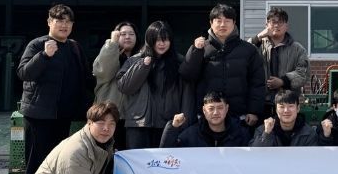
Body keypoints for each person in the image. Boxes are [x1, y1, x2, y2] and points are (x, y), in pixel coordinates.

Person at [17, 4, 91, 174]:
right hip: (39, 116)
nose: (64, 25)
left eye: (68, 21)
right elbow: (24, 73)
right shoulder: (37, 45)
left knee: (57, 167)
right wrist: (44, 56)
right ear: (49, 22)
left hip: (63, 117)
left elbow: (85, 80)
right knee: (36, 165)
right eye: (59, 20)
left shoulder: (74, 47)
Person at [180, 4, 266, 131]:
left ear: (234, 23)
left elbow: (257, 83)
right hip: (208, 116)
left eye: (227, 21)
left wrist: (254, 111)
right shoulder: (201, 48)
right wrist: (195, 51)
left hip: (240, 116)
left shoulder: (249, 50)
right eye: (218, 21)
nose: (222, 25)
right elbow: (187, 75)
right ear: (211, 23)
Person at [117, 20, 195, 149]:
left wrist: (184, 122)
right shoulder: (135, 60)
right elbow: (124, 87)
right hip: (138, 124)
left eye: (165, 39)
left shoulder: (179, 62)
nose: (161, 43)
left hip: (169, 124)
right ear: (149, 40)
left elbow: (187, 94)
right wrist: (143, 65)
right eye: (157, 39)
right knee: (138, 161)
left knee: (166, 161)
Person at [248, 7, 309, 119]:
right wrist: (258, 37)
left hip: (288, 103)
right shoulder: (258, 45)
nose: (276, 25)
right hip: (261, 103)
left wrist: (283, 81)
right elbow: (243, 55)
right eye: (273, 22)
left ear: (286, 26)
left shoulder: (297, 49)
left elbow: (303, 73)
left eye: (280, 22)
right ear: (266, 25)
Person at [92, 21, 139, 150]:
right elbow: (104, 72)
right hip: (108, 115)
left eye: (131, 34)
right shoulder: (107, 52)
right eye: (123, 34)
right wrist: (112, 43)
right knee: (106, 153)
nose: (127, 37)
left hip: (132, 118)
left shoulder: (141, 57)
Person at [160, 91, 250, 148]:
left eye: (220, 108)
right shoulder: (191, 134)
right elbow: (166, 153)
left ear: (227, 108)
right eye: (211, 108)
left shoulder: (241, 134)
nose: (215, 112)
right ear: (204, 110)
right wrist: (173, 127)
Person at [250, 91, 318, 146]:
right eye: (282, 107)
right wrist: (266, 134)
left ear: (298, 108)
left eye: (290, 106)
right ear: (276, 110)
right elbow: (255, 153)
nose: (286, 111)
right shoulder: (263, 130)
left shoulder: (308, 133)